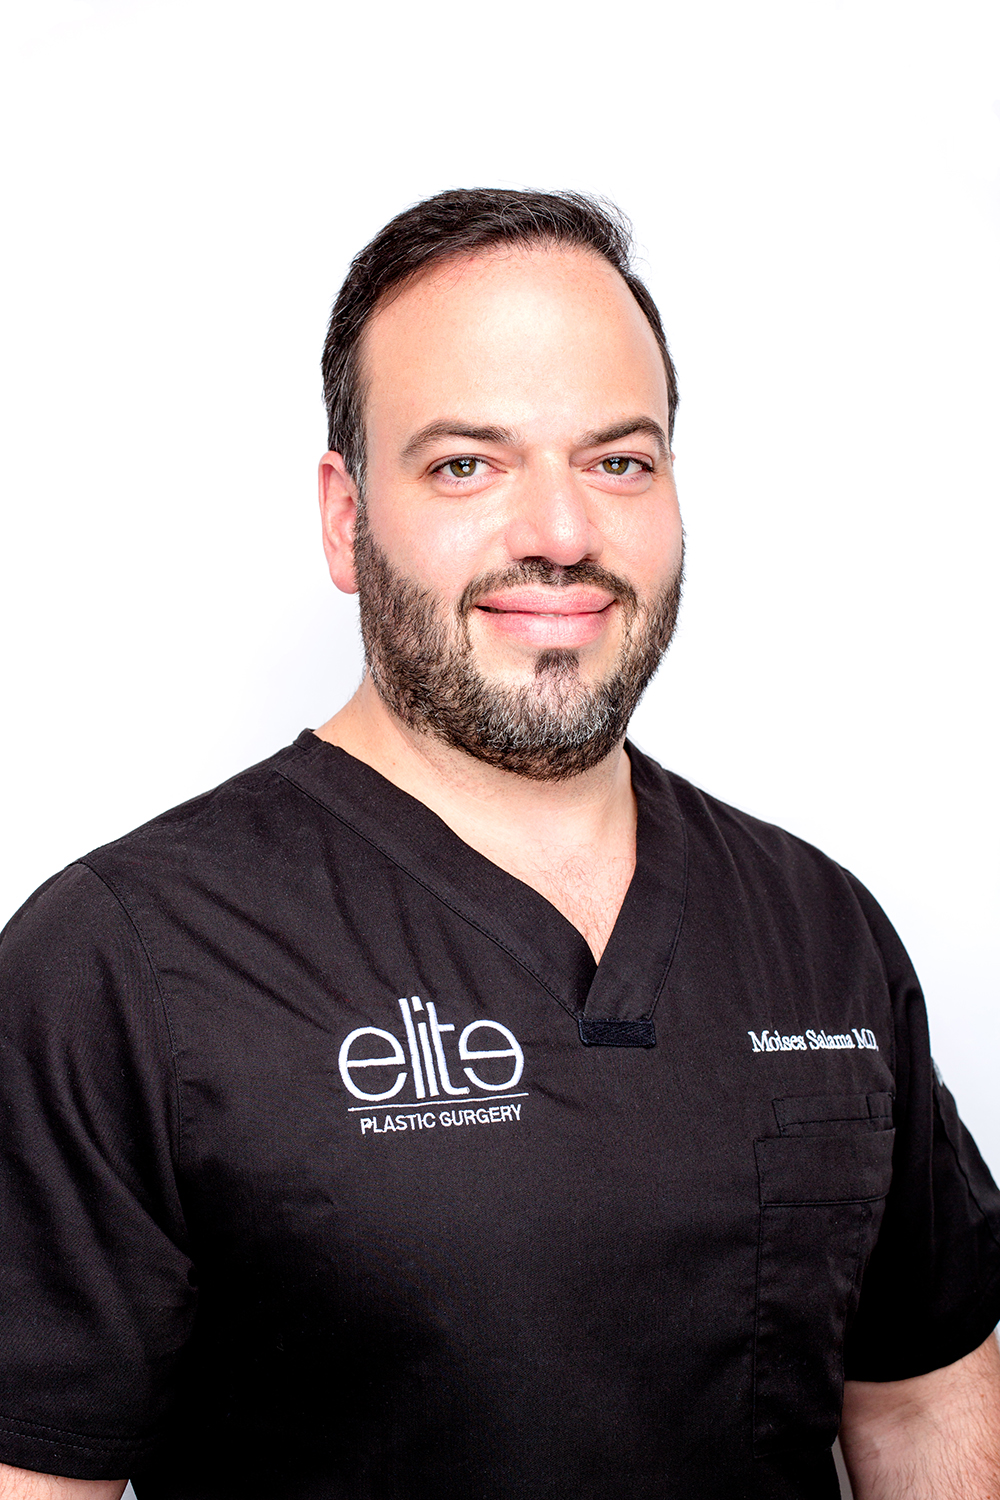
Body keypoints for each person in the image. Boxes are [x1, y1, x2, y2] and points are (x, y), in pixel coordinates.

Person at [0, 189, 998, 1500]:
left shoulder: (818, 928)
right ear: (347, 517)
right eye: (468, 464)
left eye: (618, 461)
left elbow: (923, 1401)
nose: (563, 535)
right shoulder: (123, 962)